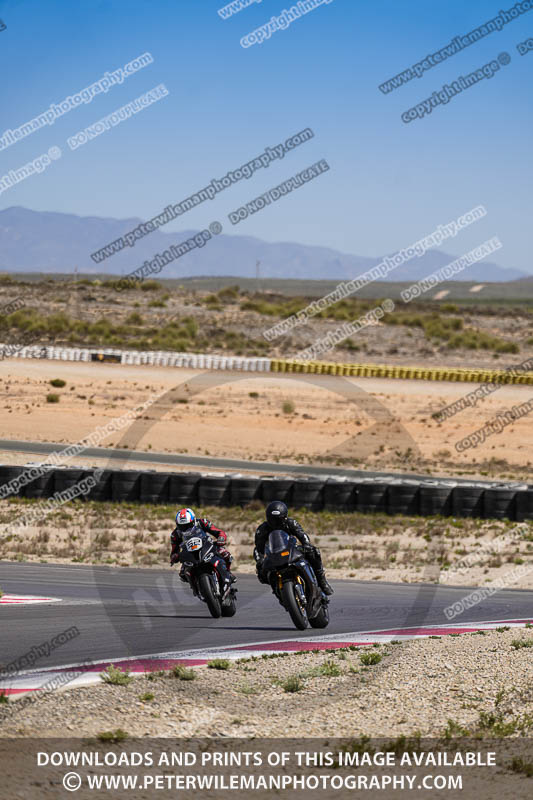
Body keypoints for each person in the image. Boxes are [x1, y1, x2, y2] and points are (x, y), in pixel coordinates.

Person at [254, 500, 333, 595]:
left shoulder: (291, 523)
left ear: (284, 517)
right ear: (268, 518)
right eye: (272, 520)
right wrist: (260, 560)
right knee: (261, 570)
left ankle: (322, 580)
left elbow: (302, 535)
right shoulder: (262, 529)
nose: (275, 523)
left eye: (278, 520)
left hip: (291, 550)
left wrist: (306, 545)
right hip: (273, 554)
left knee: (313, 551)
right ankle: (277, 590)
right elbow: (258, 549)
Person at [170, 508, 236, 584]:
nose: (185, 528)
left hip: (206, 545)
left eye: (187, 525)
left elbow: (218, 531)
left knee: (225, 554)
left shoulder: (202, 522)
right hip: (189, 552)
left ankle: (228, 573)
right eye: (182, 526)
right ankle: (196, 586)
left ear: (193, 520)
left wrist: (221, 537)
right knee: (183, 574)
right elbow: (174, 550)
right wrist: (174, 556)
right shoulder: (175, 534)